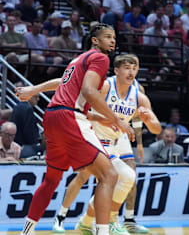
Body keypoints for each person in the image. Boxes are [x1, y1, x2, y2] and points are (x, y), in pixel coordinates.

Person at [15, 23, 134, 235]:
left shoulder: (79, 59)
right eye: (108, 36)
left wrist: (35, 88)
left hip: (52, 117)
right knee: (109, 175)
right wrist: (117, 119)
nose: (113, 40)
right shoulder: (100, 58)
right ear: (95, 40)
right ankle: (102, 231)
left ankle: (26, 231)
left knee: (51, 180)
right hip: (69, 117)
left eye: (114, 37)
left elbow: (63, 83)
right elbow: (88, 92)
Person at [37, 54, 161, 234]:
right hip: (92, 138)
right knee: (109, 177)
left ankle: (90, 221)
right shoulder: (105, 86)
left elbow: (157, 130)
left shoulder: (139, 96)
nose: (131, 72)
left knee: (123, 177)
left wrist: (149, 120)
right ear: (116, 70)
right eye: (127, 67)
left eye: (134, 68)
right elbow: (66, 82)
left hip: (115, 140)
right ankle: (86, 218)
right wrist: (35, 90)